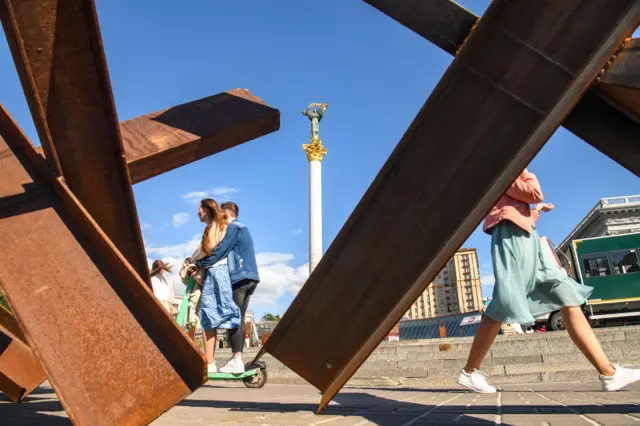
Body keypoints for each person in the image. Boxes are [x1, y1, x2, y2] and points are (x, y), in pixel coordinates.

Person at [457, 169, 640, 393]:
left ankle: (608, 372)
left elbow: (527, 210)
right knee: (506, 299)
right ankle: (469, 372)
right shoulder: (507, 168)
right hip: (511, 235)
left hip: (525, 236)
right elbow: (535, 193)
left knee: (565, 293)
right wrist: (527, 172)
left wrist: (536, 212)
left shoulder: (510, 176)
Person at [194, 201, 259, 374]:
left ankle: (236, 360)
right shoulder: (242, 227)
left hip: (239, 276)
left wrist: (199, 263)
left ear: (225, 213)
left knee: (233, 317)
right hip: (250, 277)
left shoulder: (234, 227)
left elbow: (220, 251)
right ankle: (235, 359)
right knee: (238, 315)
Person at [190, 199, 240, 374]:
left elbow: (211, 251)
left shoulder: (217, 225)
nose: (198, 212)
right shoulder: (213, 226)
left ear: (206, 209)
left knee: (215, 313)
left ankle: (227, 359)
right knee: (209, 315)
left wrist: (196, 263)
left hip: (217, 271)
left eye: (200, 209)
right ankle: (211, 360)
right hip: (214, 272)